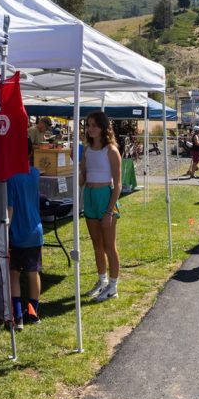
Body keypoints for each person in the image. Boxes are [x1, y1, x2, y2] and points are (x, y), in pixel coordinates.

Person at [80, 111, 122, 302]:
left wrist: (109, 211)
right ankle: (102, 281)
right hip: (89, 196)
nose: (91, 129)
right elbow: (83, 176)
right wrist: (78, 173)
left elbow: (118, 184)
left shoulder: (111, 150)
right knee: (96, 244)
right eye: (88, 125)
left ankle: (113, 287)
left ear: (104, 127)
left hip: (105, 197)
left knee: (109, 246)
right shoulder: (87, 149)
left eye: (94, 125)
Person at [6, 166, 45, 329]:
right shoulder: (35, 173)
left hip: (17, 233)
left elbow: (10, 208)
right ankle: (33, 314)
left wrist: (5, 233)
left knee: (14, 274)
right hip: (35, 231)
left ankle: (18, 317)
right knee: (33, 273)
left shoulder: (11, 177)